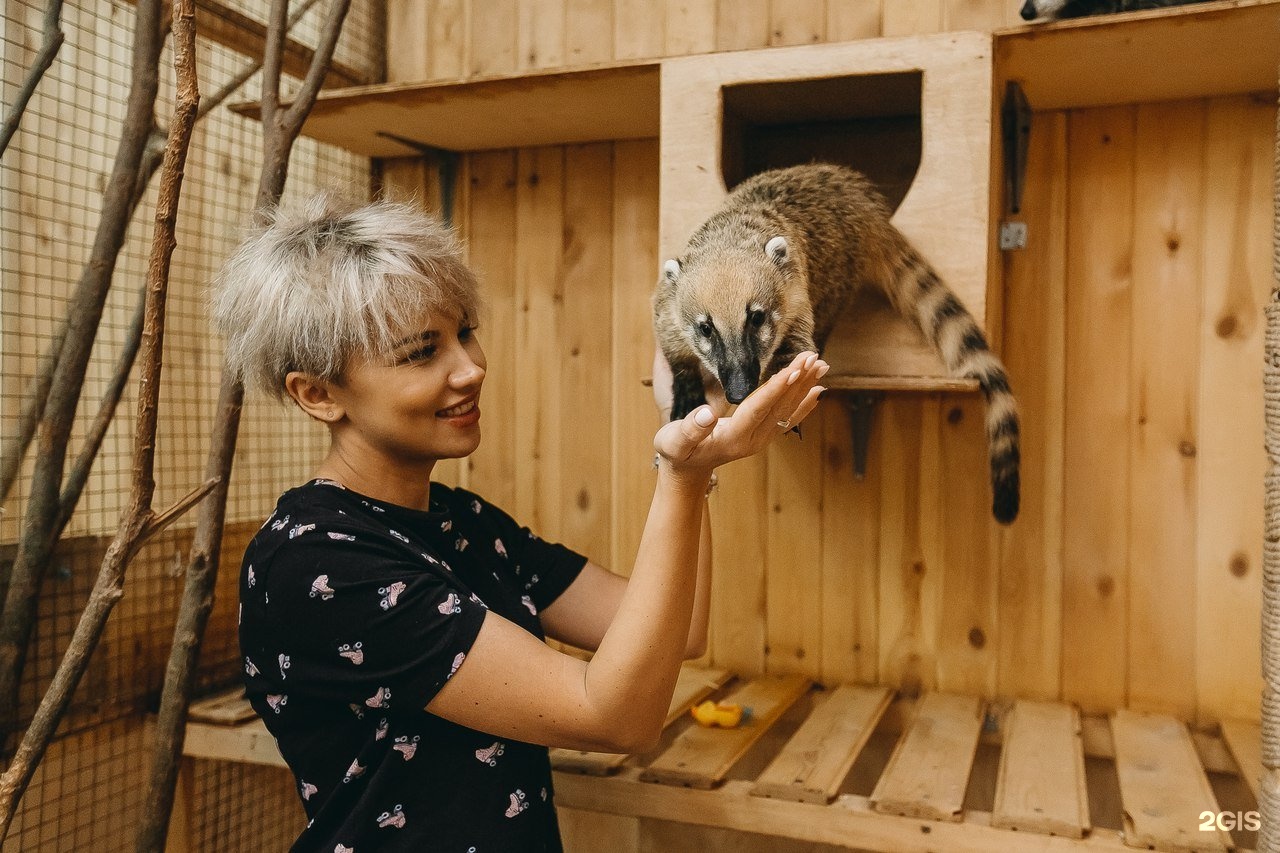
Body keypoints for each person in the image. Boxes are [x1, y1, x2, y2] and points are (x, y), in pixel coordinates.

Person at [212, 192, 827, 852]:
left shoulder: (463, 523)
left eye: (465, 331)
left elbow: (681, 631)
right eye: (423, 352)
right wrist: (678, 475)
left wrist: (694, 451)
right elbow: (615, 716)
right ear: (318, 393)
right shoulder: (317, 562)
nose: (470, 368)